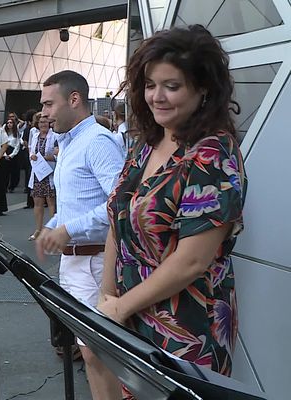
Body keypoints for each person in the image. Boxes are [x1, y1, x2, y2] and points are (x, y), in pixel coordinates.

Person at [90, 25, 248, 399]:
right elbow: (118, 221)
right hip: (128, 309)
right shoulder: (146, 144)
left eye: (171, 86)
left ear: (203, 88)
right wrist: (107, 298)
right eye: (149, 84)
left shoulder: (213, 155)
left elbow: (191, 262)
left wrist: (119, 308)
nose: (156, 97)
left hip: (186, 325)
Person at [35, 70, 124, 400]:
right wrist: (53, 225)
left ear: (74, 99)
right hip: (75, 262)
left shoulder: (98, 143)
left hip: (96, 261)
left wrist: (67, 229)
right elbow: (74, 205)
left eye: (48, 104)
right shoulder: (69, 144)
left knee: (99, 354)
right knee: (90, 353)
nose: (43, 113)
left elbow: (120, 206)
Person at [27, 114, 58, 241]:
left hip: (49, 172)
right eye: (40, 123)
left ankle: (52, 231)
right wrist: (33, 156)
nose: (43, 125)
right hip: (37, 173)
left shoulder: (54, 136)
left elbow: (57, 155)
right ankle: (38, 230)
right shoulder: (34, 136)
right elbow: (31, 150)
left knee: (51, 202)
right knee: (38, 202)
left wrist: (44, 158)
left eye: (45, 122)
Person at [4, 118, 21, 192]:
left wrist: (12, 155)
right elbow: (1, 144)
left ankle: (12, 187)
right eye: (8, 123)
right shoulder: (4, 134)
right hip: (5, 151)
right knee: (5, 172)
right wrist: (5, 155)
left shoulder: (16, 133)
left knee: (14, 171)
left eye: (11, 123)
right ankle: (4, 186)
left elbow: (17, 144)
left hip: (13, 152)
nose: (9, 124)